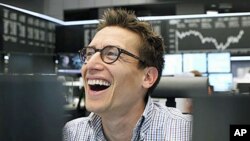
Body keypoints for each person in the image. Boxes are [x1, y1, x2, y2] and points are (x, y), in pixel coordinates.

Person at [63, 8, 192, 141]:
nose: (89, 65)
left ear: (148, 77)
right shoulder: (71, 134)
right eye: (89, 54)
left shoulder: (189, 133)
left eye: (111, 53)